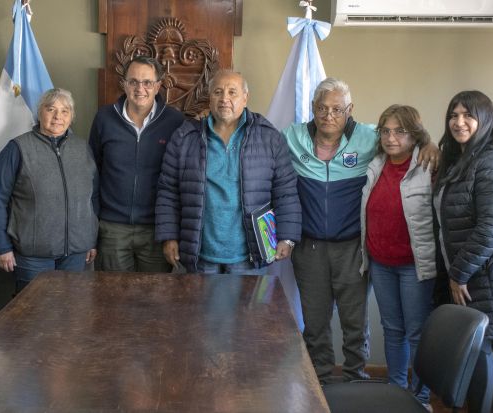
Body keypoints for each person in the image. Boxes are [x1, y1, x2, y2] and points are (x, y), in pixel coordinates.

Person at [283, 77, 439, 383]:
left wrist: (429, 143)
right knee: (315, 323)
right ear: (313, 107)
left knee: (355, 323)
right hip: (309, 248)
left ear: (350, 109)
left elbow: (405, 136)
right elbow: (263, 146)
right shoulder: (292, 136)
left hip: (352, 248)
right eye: (322, 108)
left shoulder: (370, 136)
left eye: (337, 109)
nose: (329, 115)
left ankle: (356, 379)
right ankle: (321, 382)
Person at [155, 70, 301, 274]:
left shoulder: (269, 138)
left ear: (245, 98)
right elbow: (168, 191)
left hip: (251, 257)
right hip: (200, 256)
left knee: (252, 298)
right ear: (210, 97)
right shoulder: (185, 137)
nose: (224, 98)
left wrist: (287, 237)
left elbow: (285, 192)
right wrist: (169, 236)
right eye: (218, 92)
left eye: (232, 92)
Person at [434, 90, 493, 413]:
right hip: (465, 271)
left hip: (483, 272)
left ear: (486, 118)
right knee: (470, 347)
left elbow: (491, 227)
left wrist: (459, 274)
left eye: (468, 115)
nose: (459, 122)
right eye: (453, 115)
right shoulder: (460, 158)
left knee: (480, 349)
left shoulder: (492, 159)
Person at [360, 105, 435, 410]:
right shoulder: (376, 164)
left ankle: (420, 400)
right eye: (386, 131)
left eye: (400, 131)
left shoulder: (428, 164)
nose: (391, 138)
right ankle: (396, 394)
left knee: (417, 334)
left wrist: (432, 146)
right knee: (392, 330)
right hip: (380, 264)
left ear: (414, 134)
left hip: (414, 267)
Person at [0, 88, 99, 293]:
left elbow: (93, 198)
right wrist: (2, 246)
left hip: (76, 254)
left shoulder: (83, 149)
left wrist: (90, 240)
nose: (58, 116)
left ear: (72, 116)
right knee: (34, 311)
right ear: (40, 113)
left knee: (73, 309)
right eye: (51, 109)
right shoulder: (18, 148)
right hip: (33, 257)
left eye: (65, 111)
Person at [88, 56, 184, 272]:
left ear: (158, 86)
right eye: (133, 82)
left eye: (147, 82)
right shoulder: (104, 118)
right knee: (112, 291)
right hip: (112, 229)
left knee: (154, 293)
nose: (140, 88)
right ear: (124, 84)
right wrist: (93, 225)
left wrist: (172, 232)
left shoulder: (175, 121)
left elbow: (180, 178)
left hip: (156, 230)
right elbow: (92, 174)